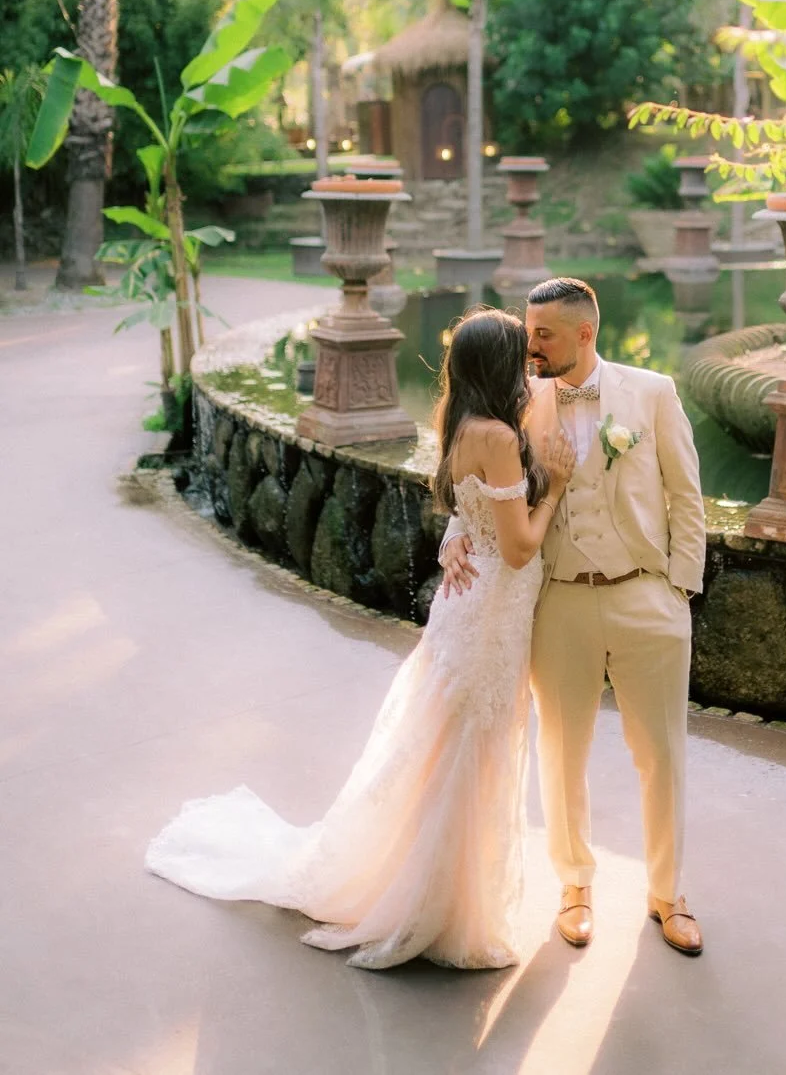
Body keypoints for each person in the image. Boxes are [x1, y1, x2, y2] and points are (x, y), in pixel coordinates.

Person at [146, 307, 576, 970]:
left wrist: (457, 541)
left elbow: (468, 513)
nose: (529, 368)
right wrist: (559, 486)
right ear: (499, 368)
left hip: (473, 608)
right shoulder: (497, 435)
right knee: (472, 746)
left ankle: (437, 885)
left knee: (449, 743)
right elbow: (519, 547)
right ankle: (443, 904)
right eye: (520, 356)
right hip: (491, 611)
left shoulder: (464, 423)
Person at [441, 277, 707, 956]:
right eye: (527, 332)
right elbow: (469, 479)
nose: (529, 345)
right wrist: (454, 538)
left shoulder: (652, 393)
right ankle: (576, 887)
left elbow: (687, 498)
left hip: (646, 596)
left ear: (585, 334)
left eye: (543, 335)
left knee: (662, 756)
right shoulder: (515, 404)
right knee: (562, 752)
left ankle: (668, 894)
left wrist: (680, 590)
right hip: (557, 598)